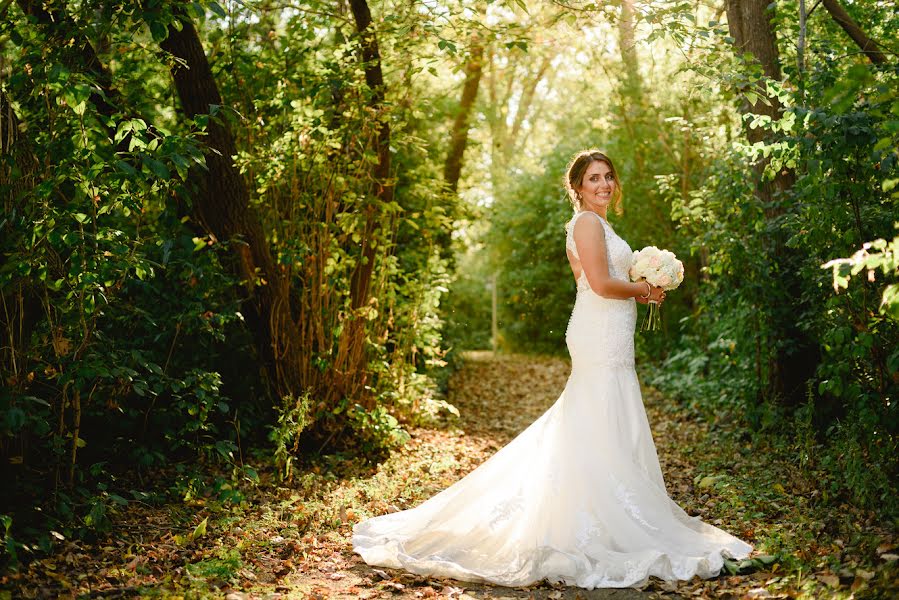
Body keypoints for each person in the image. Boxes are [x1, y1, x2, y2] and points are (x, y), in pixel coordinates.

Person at [352, 150, 752, 589]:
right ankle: (599, 516)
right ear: (578, 187)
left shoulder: (599, 225)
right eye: (594, 178)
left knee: (599, 419)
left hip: (608, 331)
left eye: (608, 177)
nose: (603, 184)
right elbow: (598, 284)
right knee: (595, 411)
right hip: (598, 332)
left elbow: (595, 279)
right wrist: (644, 290)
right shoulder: (584, 223)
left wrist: (645, 284)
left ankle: (605, 504)